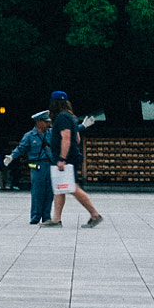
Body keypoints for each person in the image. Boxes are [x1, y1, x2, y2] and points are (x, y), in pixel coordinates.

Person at [48, 91, 103, 227]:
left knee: (73, 187)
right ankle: (56, 219)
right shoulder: (70, 117)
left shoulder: (62, 118)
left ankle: (95, 215)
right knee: (59, 188)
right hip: (70, 157)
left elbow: (66, 138)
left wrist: (62, 158)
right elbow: (76, 138)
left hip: (66, 159)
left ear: (54, 104)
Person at [6, 111, 56, 224]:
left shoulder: (51, 133)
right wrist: (11, 157)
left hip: (50, 165)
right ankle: (35, 217)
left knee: (49, 192)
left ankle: (46, 216)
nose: (48, 124)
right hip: (37, 166)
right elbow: (21, 148)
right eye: (45, 121)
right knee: (37, 192)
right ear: (38, 122)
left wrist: (82, 126)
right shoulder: (29, 136)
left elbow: (66, 131)